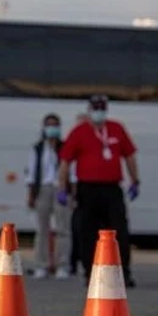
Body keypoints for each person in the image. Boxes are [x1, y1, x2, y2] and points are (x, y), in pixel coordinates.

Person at [57, 95, 140, 288]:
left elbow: (129, 156)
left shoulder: (117, 129)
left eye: (102, 108)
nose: (99, 112)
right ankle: (90, 273)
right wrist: (62, 188)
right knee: (87, 233)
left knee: (119, 231)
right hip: (88, 189)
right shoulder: (79, 132)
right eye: (95, 108)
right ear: (89, 110)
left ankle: (123, 273)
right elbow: (65, 162)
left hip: (111, 189)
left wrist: (135, 180)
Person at [25, 113, 71, 280]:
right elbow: (31, 173)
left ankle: (62, 265)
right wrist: (31, 195)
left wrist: (71, 193)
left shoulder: (65, 148)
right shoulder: (37, 149)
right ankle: (41, 265)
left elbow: (72, 171)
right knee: (42, 229)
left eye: (55, 125)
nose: (52, 129)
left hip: (61, 188)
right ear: (44, 128)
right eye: (49, 125)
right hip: (43, 189)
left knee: (63, 229)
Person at [68, 112, 88, 276]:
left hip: (87, 191)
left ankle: (84, 261)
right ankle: (73, 262)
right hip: (75, 193)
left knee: (85, 229)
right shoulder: (71, 145)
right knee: (74, 229)